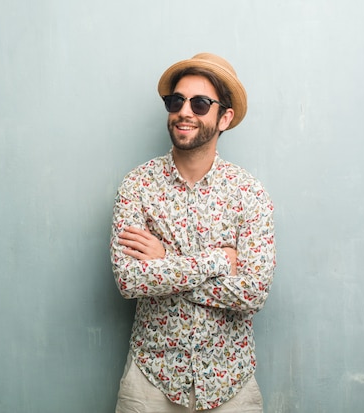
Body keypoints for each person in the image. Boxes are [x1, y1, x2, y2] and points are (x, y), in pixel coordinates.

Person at [110, 53, 276, 412]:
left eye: (200, 103)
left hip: (231, 383)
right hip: (150, 382)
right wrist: (217, 260)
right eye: (176, 101)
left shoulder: (249, 193)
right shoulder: (137, 185)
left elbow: (253, 293)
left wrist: (165, 264)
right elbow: (130, 280)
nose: (185, 111)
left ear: (224, 118)